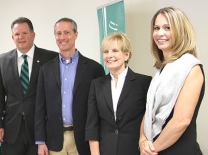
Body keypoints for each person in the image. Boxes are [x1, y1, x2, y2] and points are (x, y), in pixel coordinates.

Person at [139, 7, 205, 155]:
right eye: (156, 28)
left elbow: (181, 121)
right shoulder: (162, 71)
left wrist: (151, 149)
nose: (160, 33)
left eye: (167, 28)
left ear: (180, 31)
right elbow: (149, 111)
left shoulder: (191, 67)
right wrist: (142, 140)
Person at [35, 17, 105, 155]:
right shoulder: (45, 70)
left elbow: (100, 108)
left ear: (76, 34)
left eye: (67, 32)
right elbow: (40, 107)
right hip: (54, 141)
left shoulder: (94, 68)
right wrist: (40, 141)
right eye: (59, 33)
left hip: (83, 140)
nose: (62, 37)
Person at [0, 17, 58, 155]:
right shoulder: (2, 60)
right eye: (17, 34)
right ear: (12, 37)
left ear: (33, 35)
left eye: (25, 33)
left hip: (40, 131)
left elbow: (55, 95)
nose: (20, 37)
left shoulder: (50, 58)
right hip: (11, 131)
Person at [85, 32, 152, 155]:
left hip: (135, 150)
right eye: (106, 52)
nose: (109, 55)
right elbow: (92, 126)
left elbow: (150, 121)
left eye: (115, 51)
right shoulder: (96, 85)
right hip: (106, 151)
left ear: (126, 55)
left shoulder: (144, 83)